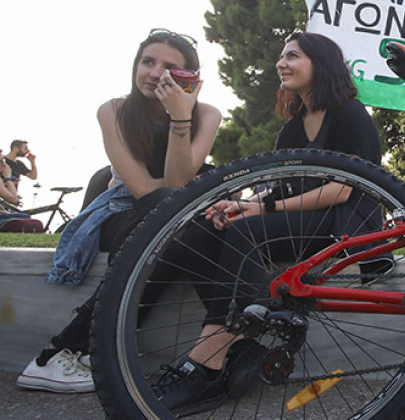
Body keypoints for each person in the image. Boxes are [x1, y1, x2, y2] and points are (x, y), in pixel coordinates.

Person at [149, 32, 386, 415]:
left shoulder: (349, 113)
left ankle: (208, 363)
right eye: (281, 56)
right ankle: (243, 345)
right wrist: (240, 205)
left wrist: (262, 211)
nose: (281, 63)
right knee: (202, 232)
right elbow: (278, 188)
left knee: (247, 229)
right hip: (300, 220)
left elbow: (340, 191)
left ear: (321, 64)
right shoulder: (294, 125)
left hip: (346, 221)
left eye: (292, 55)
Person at [16, 29, 221, 394]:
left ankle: (64, 350)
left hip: (169, 217)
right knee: (170, 219)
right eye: (148, 62)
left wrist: (181, 116)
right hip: (121, 212)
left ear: (190, 79)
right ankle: (69, 350)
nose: (155, 73)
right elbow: (152, 192)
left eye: (169, 67)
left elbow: (175, 185)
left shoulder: (206, 114)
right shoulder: (113, 111)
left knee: (194, 231)